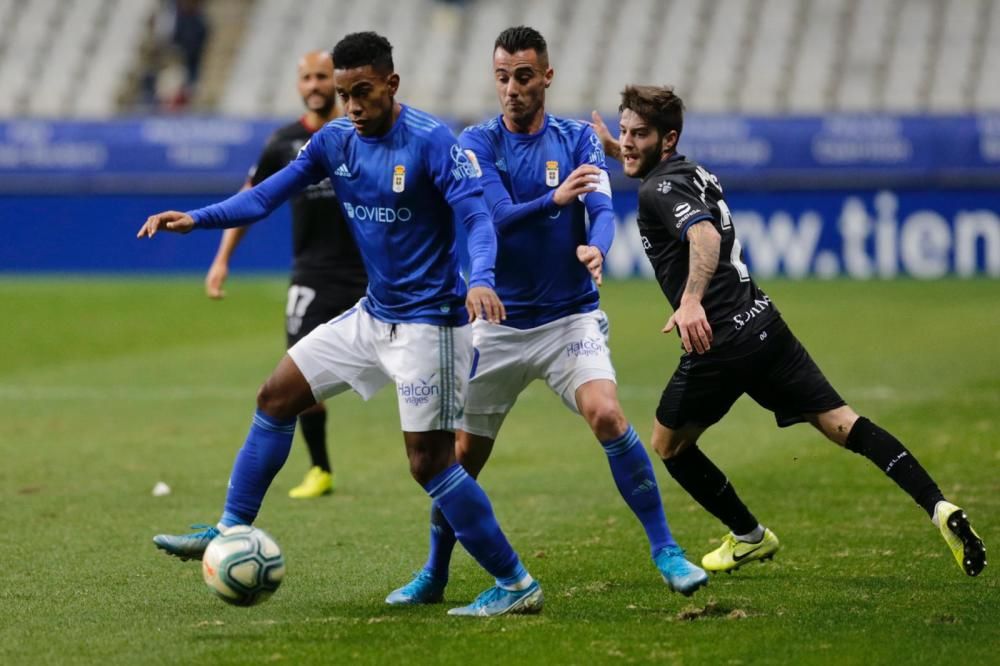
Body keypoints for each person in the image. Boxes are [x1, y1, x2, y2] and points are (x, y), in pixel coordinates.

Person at [138, 32, 544, 617]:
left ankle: (515, 583)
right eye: (342, 92)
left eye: (363, 92)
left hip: (431, 324)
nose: (352, 105)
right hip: (372, 314)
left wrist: (481, 277)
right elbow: (262, 198)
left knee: (429, 464)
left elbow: (478, 218)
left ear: (391, 84)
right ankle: (229, 527)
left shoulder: (433, 142)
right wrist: (195, 220)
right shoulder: (332, 141)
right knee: (276, 395)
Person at [588, 85, 986, 577]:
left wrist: (691, 300)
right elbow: (664, 178)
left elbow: (704, 234)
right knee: (844, 423)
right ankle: (938, 506)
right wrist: (614, 145)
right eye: (623, 132)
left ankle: (749, 536)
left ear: (666, 140)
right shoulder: (689, 170)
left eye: (638, 135)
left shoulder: (656, 190)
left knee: (668, 444)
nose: (627, 142)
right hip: (764, 323)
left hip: (719, 341)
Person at [385, 26, 707, 607]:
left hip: (568, 320)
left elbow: (602, 208)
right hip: (495, 324)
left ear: (547, 77)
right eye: (503, 77)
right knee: (459, 460)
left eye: (524, 76)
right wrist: (553, 203)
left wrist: (596, 247)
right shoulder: (475, 143)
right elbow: (495, 219)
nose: (512, 88)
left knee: (608, 415)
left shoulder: (579, 138)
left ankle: (667, 550)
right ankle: (434, 573)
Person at [205, 50, 367, 499]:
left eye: (322, 77)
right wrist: (222, 260)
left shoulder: (361, 133)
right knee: (298, 377)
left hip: (370, 276)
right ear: (299, 85)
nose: (314, 85)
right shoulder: (283, 143)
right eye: (307, 78)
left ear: (336, 82)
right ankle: (321, 469)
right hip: (311, 276)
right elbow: (250, 198)